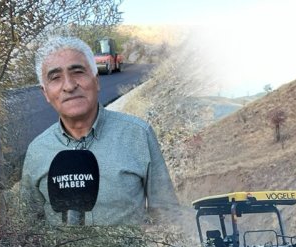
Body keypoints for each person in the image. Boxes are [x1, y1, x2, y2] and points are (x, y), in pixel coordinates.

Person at [19, 36, 179, 225]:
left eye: (78, 72)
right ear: (45, 93)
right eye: (55, 78)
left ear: (96, 81)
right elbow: (29, 228)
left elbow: (168, 214)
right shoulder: (37, 151)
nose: (69, 86)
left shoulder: (138, 135)